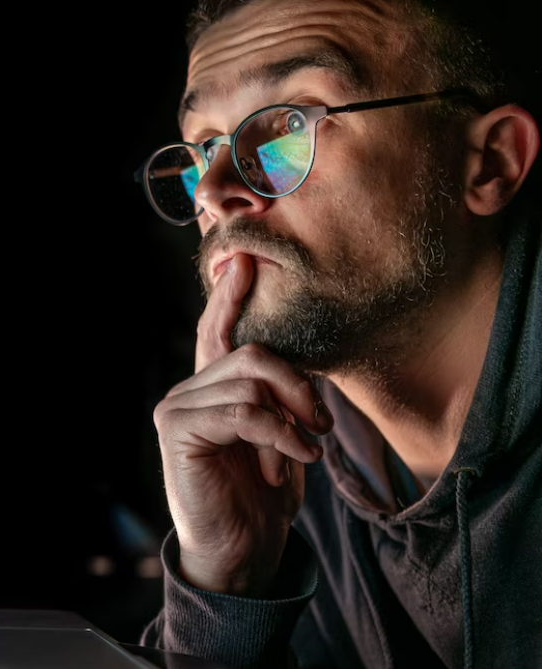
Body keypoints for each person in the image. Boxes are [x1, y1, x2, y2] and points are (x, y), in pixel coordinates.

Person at [135, 0, 540, 667]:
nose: (211, 188)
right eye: (203, 144)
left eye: (287, 126)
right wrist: (225, 587)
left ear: (489, 162)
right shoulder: (287, 473)